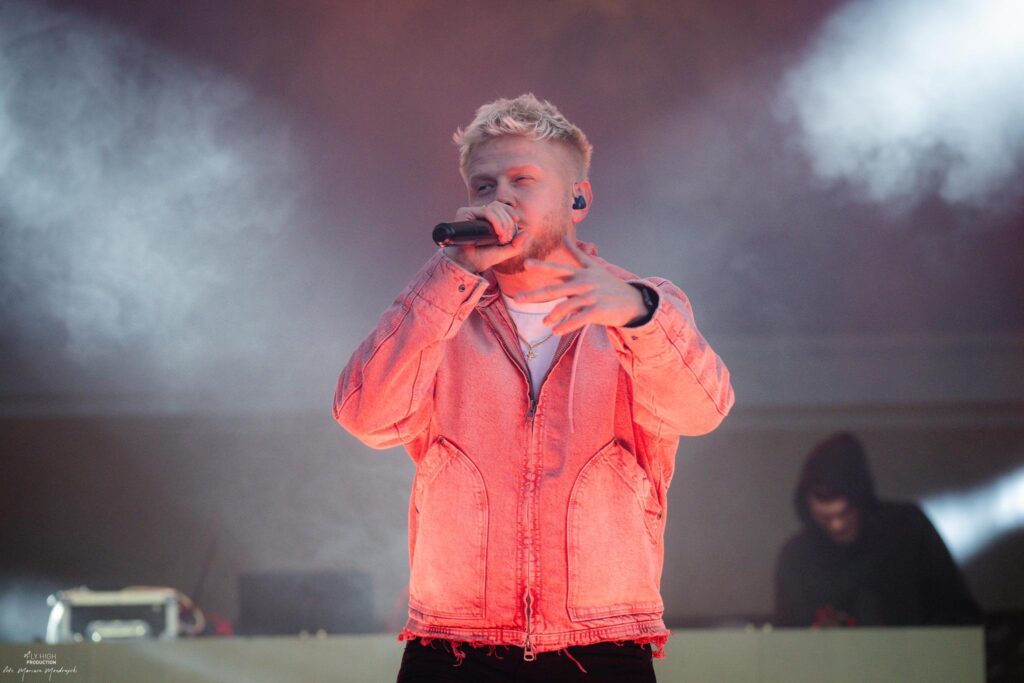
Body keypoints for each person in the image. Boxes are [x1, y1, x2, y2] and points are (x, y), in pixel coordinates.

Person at [334, 94, 734, 681]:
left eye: (524, 179)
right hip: (454, 644)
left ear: (578, 198)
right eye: (484, 185)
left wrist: (641, 316)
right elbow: (365, 416)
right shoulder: (442, 314)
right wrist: (451, 275)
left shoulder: (641, 307)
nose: (501, 198)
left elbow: (701, 411)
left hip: (601, 644)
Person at [773, 432, 982, 628]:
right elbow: (786, 637)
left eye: (846, 513)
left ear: (861, 501)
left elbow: (957, 613)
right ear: (808, 506)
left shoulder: (908, 530)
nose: (837, 525)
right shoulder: (796, 557)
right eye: (826, 518)